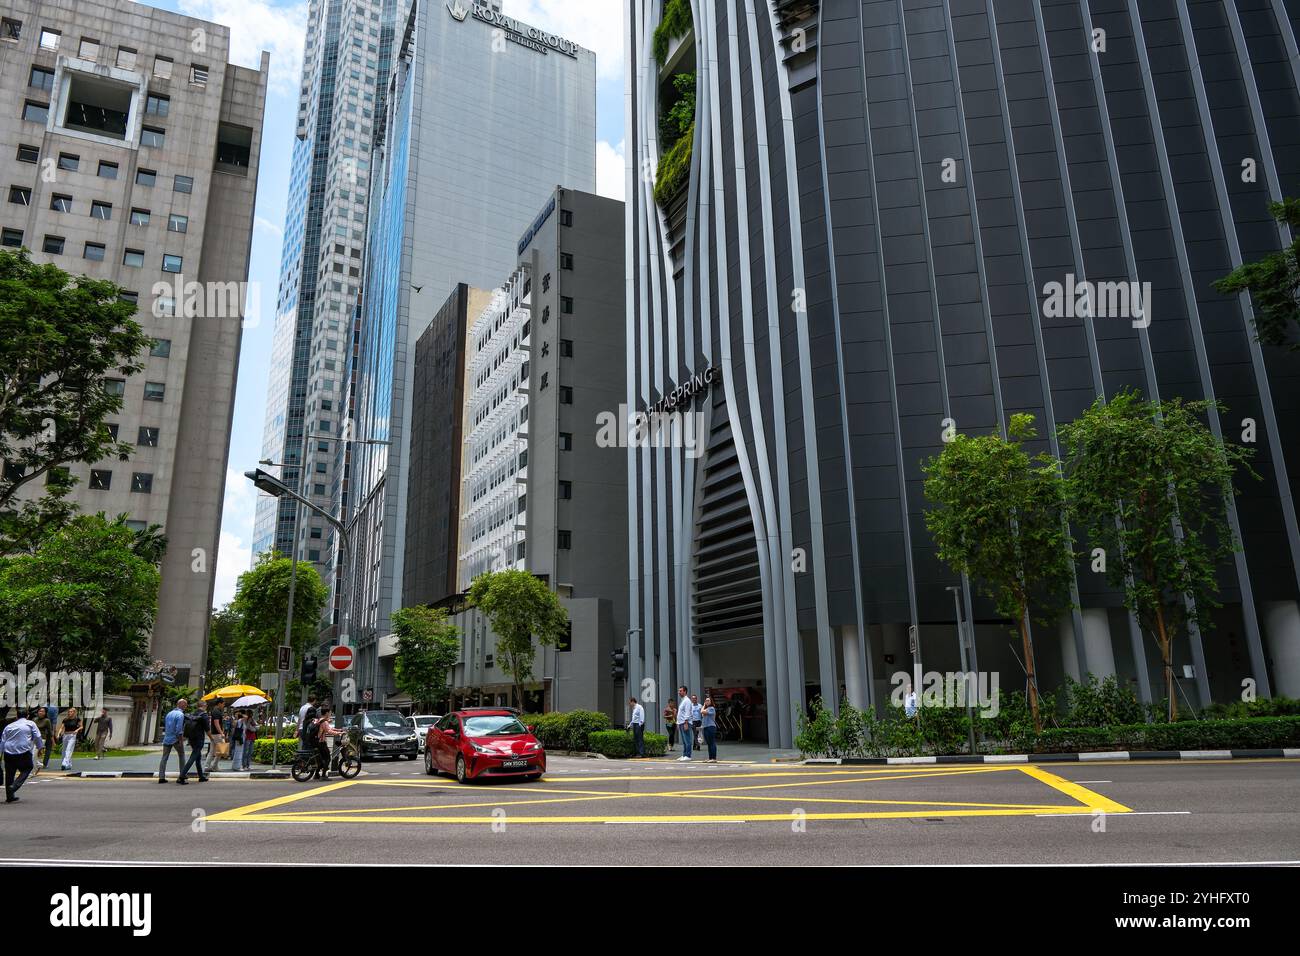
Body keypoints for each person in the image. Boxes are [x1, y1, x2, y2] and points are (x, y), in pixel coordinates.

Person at [3, 709, 43, 803]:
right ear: (27, 716)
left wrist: (1, 753)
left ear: (17, 716)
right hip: (23, 751)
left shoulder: (9, 726)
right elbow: (37, 736)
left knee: (9, 773)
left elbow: (3, 740)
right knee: (28, 767)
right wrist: (40, 747)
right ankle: (15, 786)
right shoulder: (30, 723)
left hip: (8, 751)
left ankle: (10, 796)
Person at [178, 701, 211, 784]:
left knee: (198, 757)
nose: (206, 706)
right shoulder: (204, 715)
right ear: (203, 706)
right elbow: (207, 729)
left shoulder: (193, 714)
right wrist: (212, 738)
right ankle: (182, 775)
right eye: (206, 705)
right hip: (199, 738)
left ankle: (201, 776)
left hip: (191, 738)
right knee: (193, 757)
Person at [158, 698, 188, 783]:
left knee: (164, 757)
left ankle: (161, 777)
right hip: (175, 739)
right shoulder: (180, 715)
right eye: (185, 705)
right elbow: (179, 730)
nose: (186, 707)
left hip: (167, 738)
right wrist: (181, 741)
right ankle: (182, 775)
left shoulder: (169, 713)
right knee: (181, 755)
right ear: (183, 705)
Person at [313, 707, 345, 779]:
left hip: (319, 742)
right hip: (321, 742)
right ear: (327, 713)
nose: (330, 714)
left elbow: (329, 729)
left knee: (322, 759)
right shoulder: (324, 722)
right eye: (330, 713)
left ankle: (317, 774)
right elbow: (329, 731)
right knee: (327, 758)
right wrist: (338, 733)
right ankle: (323, 775)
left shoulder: (321, 720)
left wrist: (339, 730)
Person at [204, 702, 227, 773]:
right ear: (219, 703)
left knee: (212, 751)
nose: (223, 705)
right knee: (222, 750)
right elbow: (216, 723)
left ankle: (207, 766)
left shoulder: (215, 711)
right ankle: (214, 766)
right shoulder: (216, 711)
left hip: (214, 733)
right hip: (217, 734)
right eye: (223, 704)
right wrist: (221, 733)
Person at [32, 707, 52, 775]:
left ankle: (33, 771)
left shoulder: (47, 720)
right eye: (40, 711)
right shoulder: (34, 719)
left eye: (43, 711)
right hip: (33, 739)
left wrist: (52, 741)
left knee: (34, 754)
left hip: (41, 739)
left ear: (45, 713)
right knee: (33, 754)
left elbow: (49, 731)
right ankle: (39, 764)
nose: (41, 712)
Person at [676, 686, 693, 761]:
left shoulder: (687, 701)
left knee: (687, 740)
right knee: (684, 740)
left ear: (685, 691)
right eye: (679, 691)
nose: (679, 692)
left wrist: (686, 722)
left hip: (685, 722)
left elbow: (687, 712)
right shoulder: (683, 700)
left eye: (681, 691)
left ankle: (688, 755)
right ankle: (684, 754)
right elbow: (680, 713)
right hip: (681, 723)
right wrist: (677, 723)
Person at [701, 696, 718, 762]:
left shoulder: (711, 708)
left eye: (708, 700)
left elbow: (702, 711)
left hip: (711, 727)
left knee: (712, 742)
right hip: (706, 727)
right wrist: (704, 706)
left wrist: (703, 705)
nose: (706, 702)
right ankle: (710, 758)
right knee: (709, 743)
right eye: (706, 701)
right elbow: (703, 714)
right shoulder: (707, 709)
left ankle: (714, 758)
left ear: (711, 702)